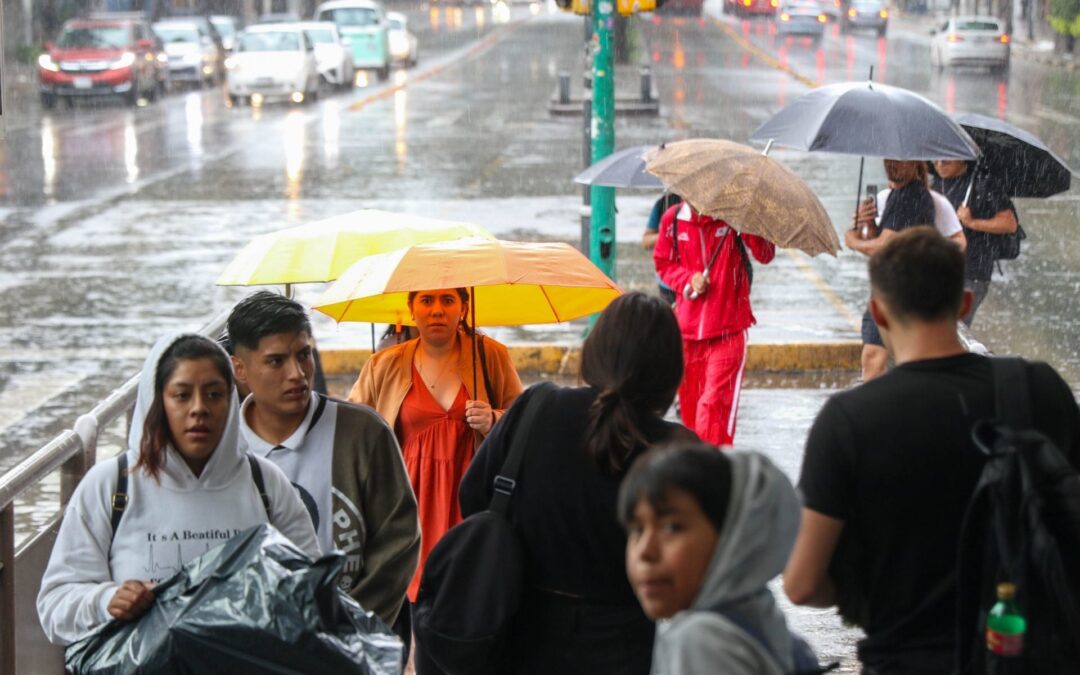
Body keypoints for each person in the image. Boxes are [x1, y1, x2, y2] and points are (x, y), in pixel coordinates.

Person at [783, 228, 1080, 675]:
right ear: (962, 304)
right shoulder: (1037, 388)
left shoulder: (848, 420)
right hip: (1026, 653)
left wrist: (866, 590)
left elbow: (803, 585)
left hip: (903, 657)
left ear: (877, 312)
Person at [459, 292, 698, 675]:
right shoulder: (680, 451)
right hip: (627, 648)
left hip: (520, 640)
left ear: (595, 351)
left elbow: (473, 496)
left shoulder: (537, 406)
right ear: (669, 371)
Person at [38, 334, 320, 646]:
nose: (199, 409)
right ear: (158, 402)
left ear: (231, 400)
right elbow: (55, 605)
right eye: (182, 395)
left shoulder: (265, 483)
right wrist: (107, 601)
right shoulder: (110, 486)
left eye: (214, 395)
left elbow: (314, 593)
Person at [347, 287, 522, 674]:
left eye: (448, 300)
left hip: (469, 507)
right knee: (401, 622)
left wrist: (494, 419)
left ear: (465, 306)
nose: (437, 310)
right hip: (405, 511)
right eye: (426, 301)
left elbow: (524, 423)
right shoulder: (385, 365)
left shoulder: (490, 357)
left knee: (463, 619)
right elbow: (352, 430)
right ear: (411, 309)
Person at [228, 291, 420, 627]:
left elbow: (398, 542)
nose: (297, 374)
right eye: (276, 361)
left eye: (304, 355)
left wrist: (347, 626)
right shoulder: (224, 448)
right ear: (240, 369)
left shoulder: (362, 433)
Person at [619, 444, 802, 675]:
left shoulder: (699, 639)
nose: (645, 551)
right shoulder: (758, 615)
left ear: (733, 537)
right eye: (636, 530)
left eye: (671, 527)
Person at [653, 201, 775, 447]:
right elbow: (663, 263)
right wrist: (689, 280)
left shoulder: (735, 216)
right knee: (690, 413)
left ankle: (711, 472)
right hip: (686, 333)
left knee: (713, 407)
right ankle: (696, 471)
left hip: (728, 330)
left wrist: (747, 221)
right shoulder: (673, 219)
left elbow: (765, 254)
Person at [848, 159, 937, 382]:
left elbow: (884, 246)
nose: (892, 165)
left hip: (905, 290)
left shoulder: (913, 196)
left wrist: (852, 240)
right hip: (889, 287)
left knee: (877, 358)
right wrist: (864, 225)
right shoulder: (895, 196)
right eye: (888, 160)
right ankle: (878, 409)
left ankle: (878, 411)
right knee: (873, 356)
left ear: (915, 164)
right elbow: (878, 240)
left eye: (899, 161)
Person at [932, 159, 1019, 327]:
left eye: (946, 157)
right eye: (936, 158)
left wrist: (972, 222)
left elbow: (1009, 223)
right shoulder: (934, 185)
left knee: (951, 329)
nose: (940, 162)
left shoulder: (982, 183)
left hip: (972, 272)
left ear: (962, 158)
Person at [642, 193, 683, 304]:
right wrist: (668, 233)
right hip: (668, 281)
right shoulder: (664, 204)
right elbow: (646, 241)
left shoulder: (707, 206)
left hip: (699, 280)